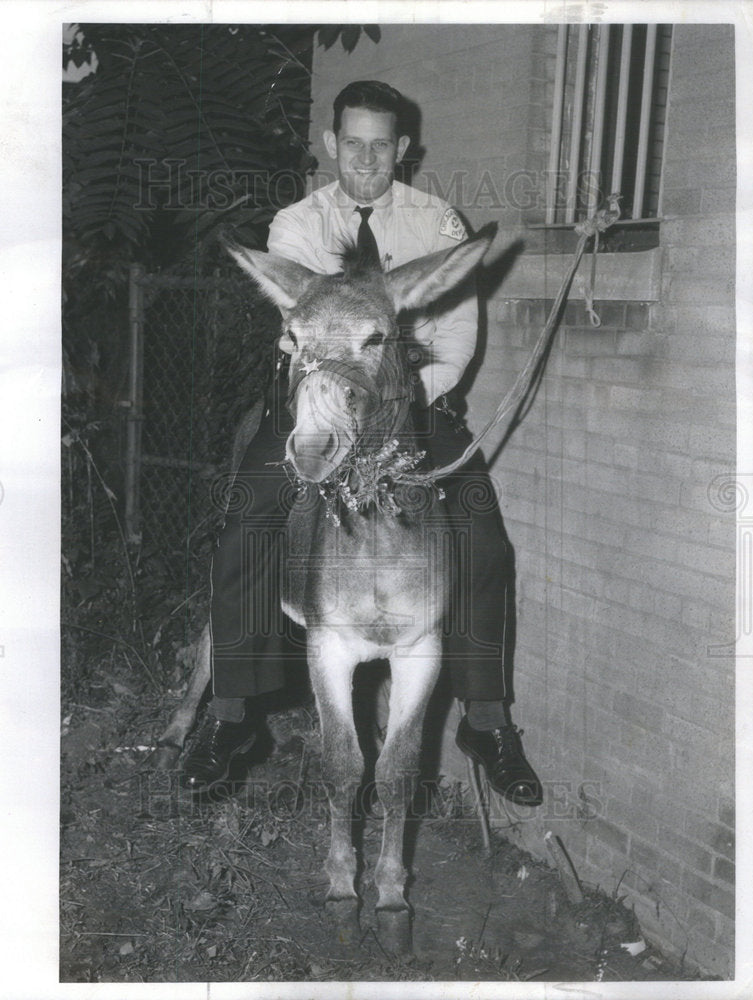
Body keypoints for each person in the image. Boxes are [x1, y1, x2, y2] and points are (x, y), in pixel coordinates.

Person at [182, 80, 542, 807]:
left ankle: (487, 721)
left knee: (484, 539)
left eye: (381, 145)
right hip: (316, 405)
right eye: (353, 144)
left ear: (402, 148)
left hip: (414, 406)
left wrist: (397, 414)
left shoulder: (437, 222)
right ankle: (232, 712)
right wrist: (337, 411)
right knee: (247, 524)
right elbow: (311, 317)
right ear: (331, 145)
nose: (367, 159)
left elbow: (457, 337)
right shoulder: (297, 223)